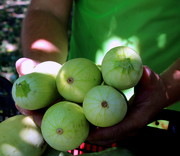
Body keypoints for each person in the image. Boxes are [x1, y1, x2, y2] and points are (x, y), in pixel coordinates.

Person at [15, 0, 180, 145]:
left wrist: (167, 89)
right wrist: (44, 72)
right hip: (73, 98)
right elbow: (47, 9)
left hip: (171, 114)